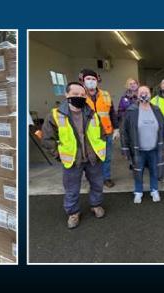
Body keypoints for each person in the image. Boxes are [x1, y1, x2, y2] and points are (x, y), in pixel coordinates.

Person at [41, 82, 108, 229]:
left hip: (92, 158)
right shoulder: (56, 115)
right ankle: (73, 213)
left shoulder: (92, 114)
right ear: (66, 95)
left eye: (82, 95)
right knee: (72, 188)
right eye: (75, 94)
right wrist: (58, 155)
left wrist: (100, 149)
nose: (79, 97)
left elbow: (102, 134)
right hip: (72, 160)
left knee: (97, 184)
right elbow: (47, 139)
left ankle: (96, 205)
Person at [121, 85, 164, 204]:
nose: (144, 94)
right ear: (137, 95)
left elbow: (163, 129)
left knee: (154, 170)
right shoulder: (131, 111)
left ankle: (154, 190)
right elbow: (124, 131)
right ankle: (138, 192)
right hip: (138, 150)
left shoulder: (157, 110)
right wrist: (125, 148)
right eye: (141, 92)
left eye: (146, 92)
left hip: (154, 149)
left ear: (150, 94)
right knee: (138, 171)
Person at [80, 69, 118, 188]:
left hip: (106, 132)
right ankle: (93, 179)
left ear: (97, 81)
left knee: (106, 158)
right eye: (88, 79)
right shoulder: (80, 96)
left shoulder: (105, 95)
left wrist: (116, 128)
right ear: (83, 80)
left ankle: (106, 178)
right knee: (91, 158)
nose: (91, 81)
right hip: (89, 135)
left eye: (93, 79)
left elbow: (112, 113)